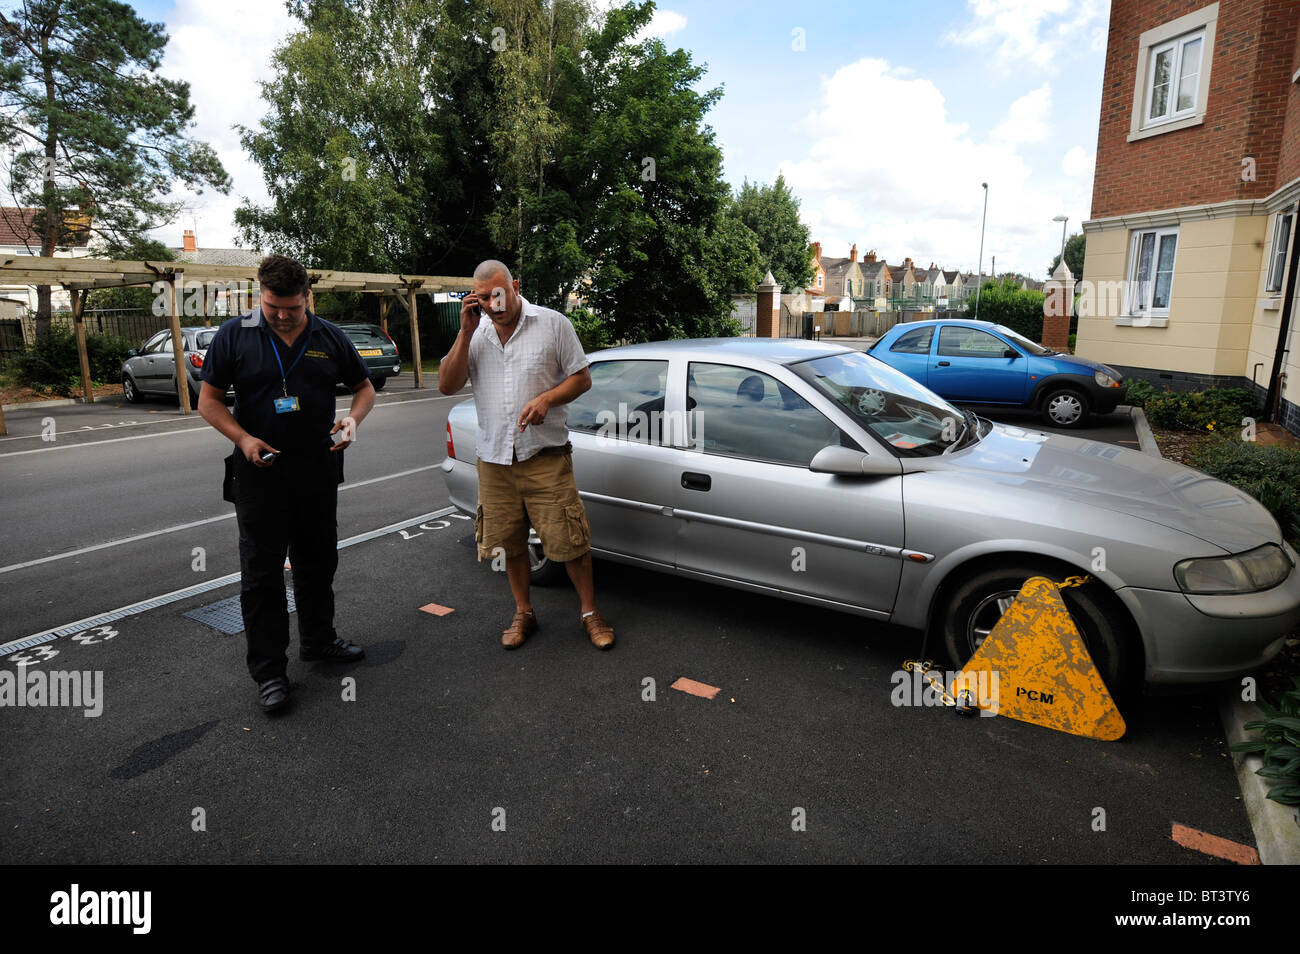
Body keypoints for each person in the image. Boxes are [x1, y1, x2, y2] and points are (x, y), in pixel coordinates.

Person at [197, 255, 376, 713]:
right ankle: (270, 673)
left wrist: (353, 422)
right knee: (262, 576)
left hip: (317, 469)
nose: (280, 315)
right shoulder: (234, 335)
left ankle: (319, 641)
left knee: (318, 564)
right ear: (260, 294)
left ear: (307, 298)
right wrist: (242, 438)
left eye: (291, 308)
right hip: (260, 474)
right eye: (272, 305)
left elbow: (365, 388)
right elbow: (209, 400)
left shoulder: (329, 336)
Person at [438, 260, 614, 650]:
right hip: (495, 462)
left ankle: (589, 613)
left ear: (515, 285)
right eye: (483, 298)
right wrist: (465, 333)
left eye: (498, 294)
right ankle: (524, 612)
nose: (492, 304)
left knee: (570, 541)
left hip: (545, 457)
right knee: (508, 543)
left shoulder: (552, 324)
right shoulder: (476, 334)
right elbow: (447, 385)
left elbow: (582, 377)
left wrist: (547, 399)